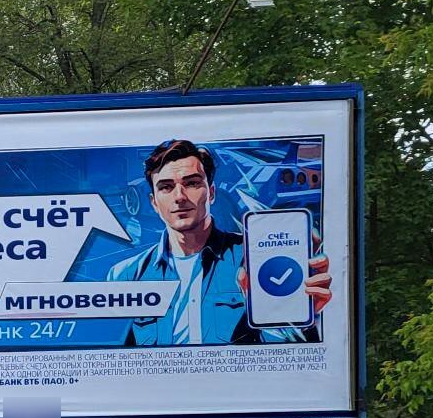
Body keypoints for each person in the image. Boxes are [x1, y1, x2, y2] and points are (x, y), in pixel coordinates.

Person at [108, 139, 331, 346]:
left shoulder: (255, 258)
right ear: (154, 202)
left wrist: (305, 319)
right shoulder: (125, 275)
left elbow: (285, 355)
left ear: (211, 193)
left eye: (192, 183)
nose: (179, 196)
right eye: (166, 187)